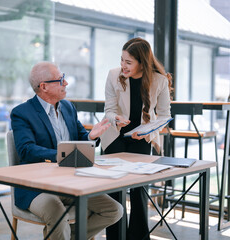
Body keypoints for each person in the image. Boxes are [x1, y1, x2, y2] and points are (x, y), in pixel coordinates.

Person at [10, 62, 124, 240]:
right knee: (57, 213)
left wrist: (91, 137)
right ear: (44, 87)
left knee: (114, 210)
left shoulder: (68, 108)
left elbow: (81, 138)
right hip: (37, 187)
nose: (66, 83)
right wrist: (62, 155)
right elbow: (26, 150)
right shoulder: (21, 113)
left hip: (71, 183)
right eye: (61, 79)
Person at [101, 37, 172, 240]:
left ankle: (139, 237)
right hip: (115, 136)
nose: (123, 65)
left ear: (142, 62)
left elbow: (165, 115)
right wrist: (115, 118)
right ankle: (115, 237)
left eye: (128, 62)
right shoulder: (114, 75)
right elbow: (109, 109)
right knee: (114, 190)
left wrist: (147, 130)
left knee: (139, 190)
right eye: (122, 60)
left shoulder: (159, 80)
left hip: (142, 138)